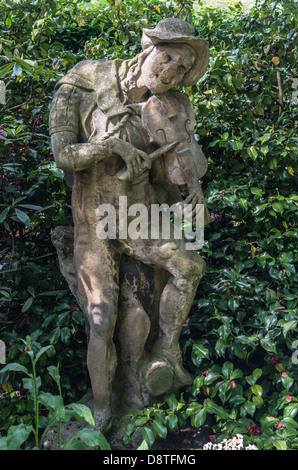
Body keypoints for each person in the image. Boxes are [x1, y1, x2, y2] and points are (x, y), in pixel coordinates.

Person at [49, 18, 209, 433]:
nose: (171, 72)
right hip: (94, 221)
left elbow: (167, 177)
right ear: (148, 45)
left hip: (139, 218)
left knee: (189, 266)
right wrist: (113, 145)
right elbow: (63, 154)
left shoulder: (165, 108)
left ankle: (166, 352)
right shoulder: (86, 78)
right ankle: (102, 411)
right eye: (169, 58)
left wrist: (190, 194)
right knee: (101, 320)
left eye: (181, 70)